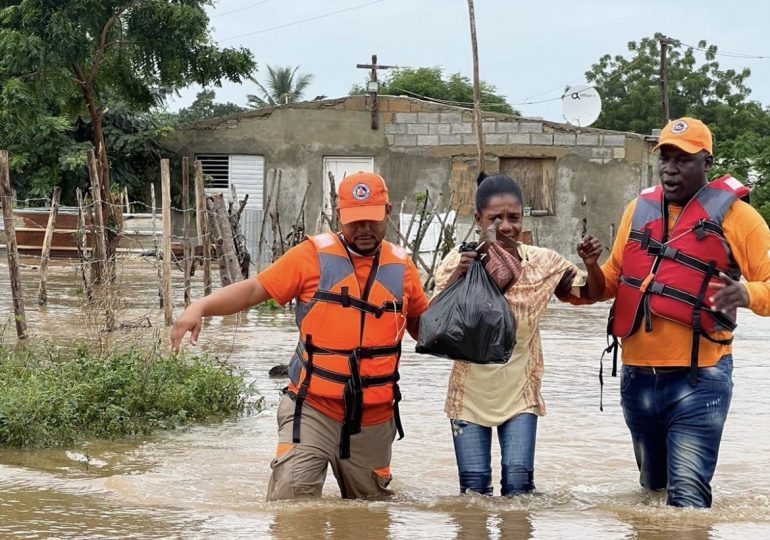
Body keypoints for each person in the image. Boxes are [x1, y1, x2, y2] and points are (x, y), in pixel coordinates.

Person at [171, 171, 429, 500]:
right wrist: (200, 307)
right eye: (355, 221)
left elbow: (425, 327)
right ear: (339, 216)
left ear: (388, 212)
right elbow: (253, 290)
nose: (364, 229)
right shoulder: (310, 257)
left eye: (372, 220)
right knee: (291, 501)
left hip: (373, 415)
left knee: (371, 513)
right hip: (312, 407)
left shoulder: (403, 267)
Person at [597, 117, 770, 508]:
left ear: (707, 162)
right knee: (652, 493)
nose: (671, 168)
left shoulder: (740, 219)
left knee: (687, 503)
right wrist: (578, 277)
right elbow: (611, 279)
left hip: (699, 380)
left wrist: (746, 293)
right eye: (666, 158)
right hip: (637, 378)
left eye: (683, 160)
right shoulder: (637, 210)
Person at [431, 172, 605, 496]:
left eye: (514, 217)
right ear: (478, 219)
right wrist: (460, 276)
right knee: (472, 493)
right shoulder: (459, 262)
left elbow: (589, 293)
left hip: (520, 395)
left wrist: (592, 264)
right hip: (467, 397)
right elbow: (433, 322)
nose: (506, 226)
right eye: (496, 218)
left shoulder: (542, 263)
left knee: (519, 489)